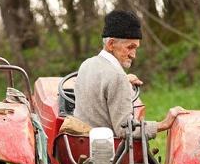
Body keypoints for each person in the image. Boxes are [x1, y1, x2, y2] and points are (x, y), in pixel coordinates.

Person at [73, 10, 186, 139]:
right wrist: (163, 124)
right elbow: (126, 131)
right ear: (111, 44)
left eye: (135, 48)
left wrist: (123, 82)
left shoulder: (87, 65)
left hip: (79, 147)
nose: (133, 55)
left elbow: (99, 91)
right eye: (130, 47)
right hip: (108, 154)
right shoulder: (116, 77)